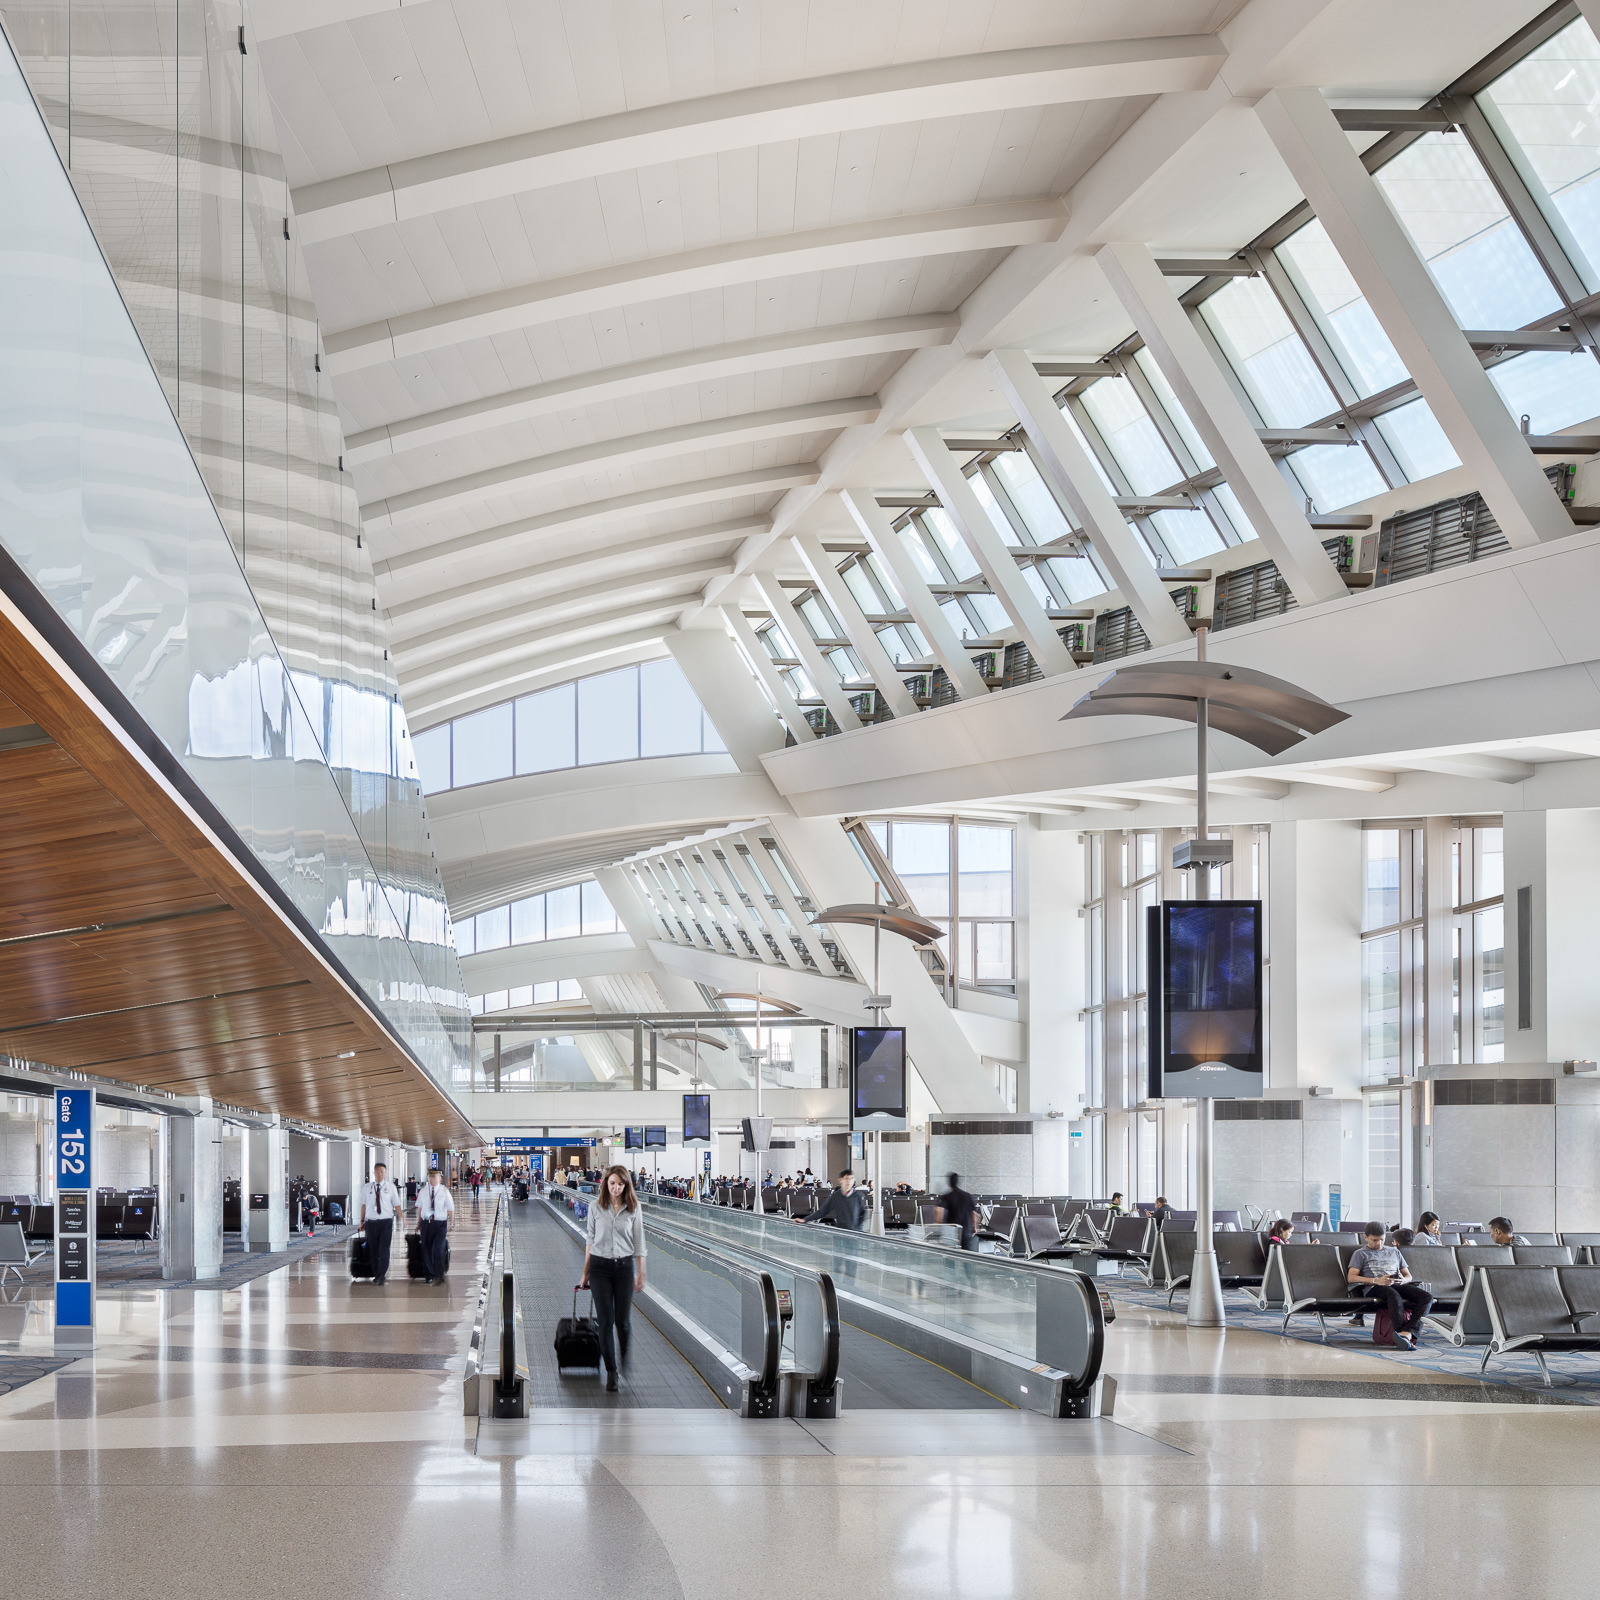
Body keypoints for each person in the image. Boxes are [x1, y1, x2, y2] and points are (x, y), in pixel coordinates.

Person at [580, 1166, 647, 1393]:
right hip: (600, 1267)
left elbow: (639, 1243)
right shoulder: (595, 1207)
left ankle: (624, 1356)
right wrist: (585, 1272)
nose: (616, 1188)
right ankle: (611, 1371)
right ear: (605, 1184)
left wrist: (641, 1273)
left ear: (626, 1185)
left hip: (624, 1268)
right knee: (606, 1322)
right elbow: (590, 1240)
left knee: (623, 1321)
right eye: (612, 1184)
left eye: (620, 1184)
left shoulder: (634, 1209)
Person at [1346, 1224, 1432, 1349]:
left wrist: (1402, 1280)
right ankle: (1399, 1332)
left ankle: (1407, 1333)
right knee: (1393, 1295)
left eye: (1381, 1239)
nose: (1379, 1243)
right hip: (1374, 1287)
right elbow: (1351, 1277)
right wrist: (1376, 1280)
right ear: (1365, 1237)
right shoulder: (1360, 1254)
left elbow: (1408, 1276)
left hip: (1396, 1284)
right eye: (1374, 1240)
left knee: (1426, 1297)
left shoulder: (1394, 1251)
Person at [359, 1162, 402, 1286]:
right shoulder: (367, 1187)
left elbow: (397, 1204)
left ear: (386, 1173)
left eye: (382, 1172)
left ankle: (381, 1275)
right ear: (374, 1173)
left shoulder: (391, 1187)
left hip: (386, 1222)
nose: (380, 1174)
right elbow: (363, 1205)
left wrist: (401, 1219)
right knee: (373, 1249)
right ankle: (376, 1272)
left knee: (384, 1249)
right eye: (377, 1172)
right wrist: (361, 1221)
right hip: (371, 1223)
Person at [417, 1166, 454, 1282]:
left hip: (440, 1223)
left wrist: (452, 1222)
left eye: (434, 1177)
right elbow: (420, 1207)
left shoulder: (444, 1192)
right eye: (430, 1177)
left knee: (438, 1248)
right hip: (426, 1223)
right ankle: (429, 1274)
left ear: (440, 1179)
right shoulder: (423, 1191)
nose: (432, 1179)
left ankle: (439, 1273)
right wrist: (418, 1222)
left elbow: (450, 1208)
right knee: (426, 1248)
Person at [936, 1172, 978, 1251]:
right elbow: (974, 1213)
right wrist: (975, 1227)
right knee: (967, 1254)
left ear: (948, 1183)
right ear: (958, 1182)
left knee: (950, 1254)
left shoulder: (946, 1196)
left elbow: (939, 1212)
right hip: (966, 1229)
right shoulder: (968, 1196)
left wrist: (939, 1224)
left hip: (951, 1230)